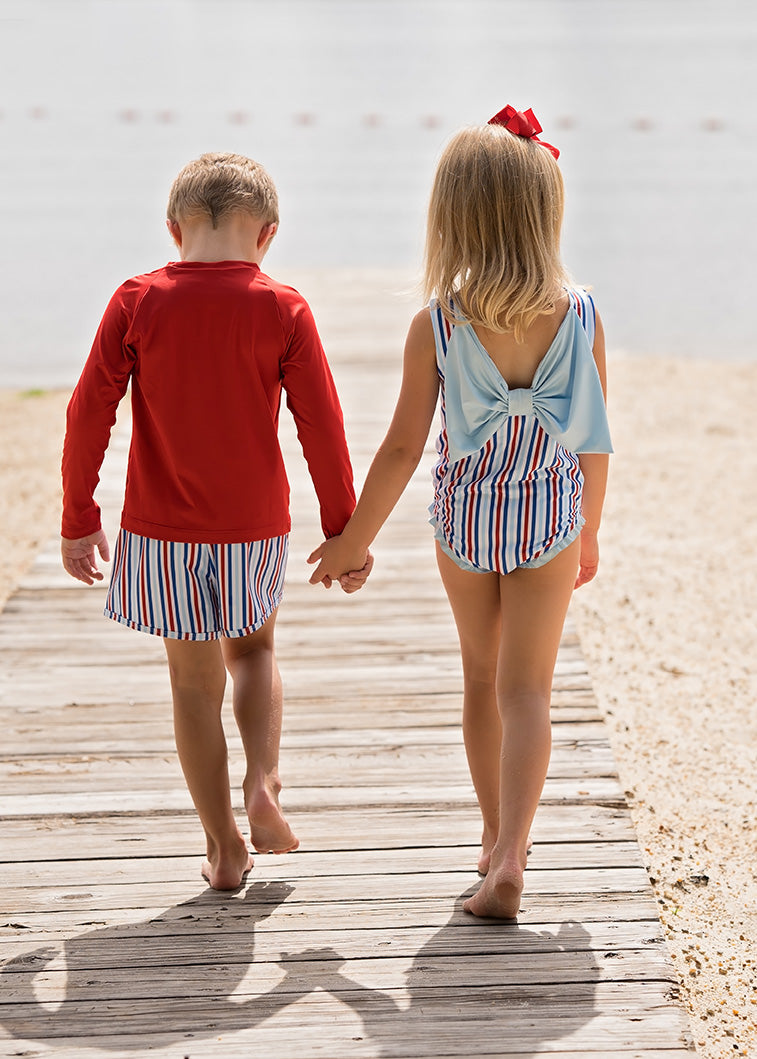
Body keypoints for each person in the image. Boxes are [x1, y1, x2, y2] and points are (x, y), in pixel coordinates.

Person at [309, 107, 612, 919]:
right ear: (542, 210)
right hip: (549, 517)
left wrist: (349, 542)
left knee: (481, 678)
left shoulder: (438, 323)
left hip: (467, 521)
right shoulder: (578, 314)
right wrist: (588, 532)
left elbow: (403, 449)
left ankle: (487, 841)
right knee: (530, 690)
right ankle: (514, 849)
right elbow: (593, 440)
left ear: (452, 217)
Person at [61, 152, 362, 890]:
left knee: (192, 685)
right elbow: (320, 423)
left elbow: (85, 413)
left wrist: (79, 515)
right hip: (252, 526)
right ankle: (263, 780)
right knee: (252, 653)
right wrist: (344, 529)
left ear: (173, 230)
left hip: (160, 531)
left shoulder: (137, 301)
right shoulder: (282, 306)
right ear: (267, 234)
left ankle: (225, 847)